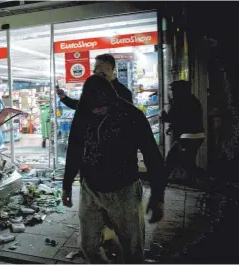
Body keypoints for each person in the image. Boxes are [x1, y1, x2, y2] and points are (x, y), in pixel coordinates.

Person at [61, 75, 166, 263]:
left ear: (113, 100)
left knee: (133, 249)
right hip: (90, 188)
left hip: (124, 190)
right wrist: (67, 184)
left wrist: (158, 195)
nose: (98, 111)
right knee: (88, 245)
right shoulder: (83, 112)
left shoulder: (132, 115)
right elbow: (74, 148)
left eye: (102, 107)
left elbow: (152, 156)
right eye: (93, 107)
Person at [160, 80, 205, 183]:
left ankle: (208, 179)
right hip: (199, 135)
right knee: (188, 161)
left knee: (173, 158)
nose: (172, 92)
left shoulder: (179, 101)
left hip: (187, 136)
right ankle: (192, 180)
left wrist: (163, 114)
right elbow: (184, 118)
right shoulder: (194, 100)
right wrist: (172, 127)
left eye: (173, 90)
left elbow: (171, 118)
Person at [56, 53, 133, 108]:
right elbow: (82, 106)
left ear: (109, 68)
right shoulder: (95, 89)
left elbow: (127, 120)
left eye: (98, 67)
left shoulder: (124, 93)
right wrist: (64, 98)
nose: (94, 71)